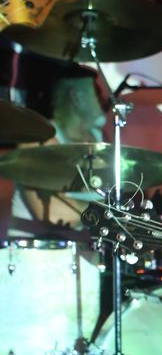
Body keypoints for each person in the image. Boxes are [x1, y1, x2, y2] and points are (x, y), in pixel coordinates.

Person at [9, 73, 106, 236]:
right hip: (41, 249)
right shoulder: (37, 140)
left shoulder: (100, 139)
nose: (104, 99)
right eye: (97, 92)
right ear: (77, 98)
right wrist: (111, 212)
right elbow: (56, 215)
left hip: (88, 247)